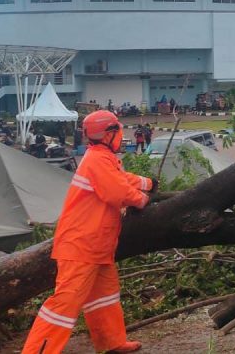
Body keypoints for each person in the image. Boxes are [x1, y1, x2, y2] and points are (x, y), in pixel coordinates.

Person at [22, 110, 156, 354]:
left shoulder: (101, 158)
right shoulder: (97, 160)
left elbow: (121, 179)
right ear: (107, 134)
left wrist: (148, 183)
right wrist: (143, 199)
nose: (121, 137)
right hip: (81, 245)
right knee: (65, 303)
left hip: (97, 244)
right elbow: (117, 192)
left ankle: (112, 342)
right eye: (117, 132)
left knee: (104, 297)